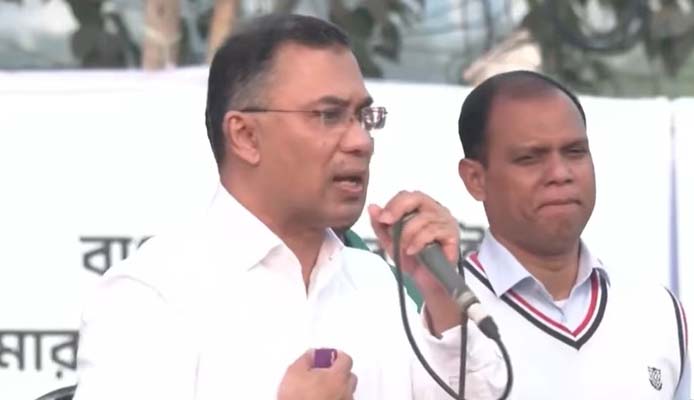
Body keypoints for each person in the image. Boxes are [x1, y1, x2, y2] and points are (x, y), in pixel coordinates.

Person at [73, 14, 507, 400]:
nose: (361, 141)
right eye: (328, 115)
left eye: (363, 117)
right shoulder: (154, 294)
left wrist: (442, 301)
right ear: (245, 136)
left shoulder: (374, 282)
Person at [456, 70, 690, 399]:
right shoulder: (435, 311)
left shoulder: (656, 310)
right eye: (529, 158)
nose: (560, 173)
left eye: (575, 152)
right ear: (475, 179)